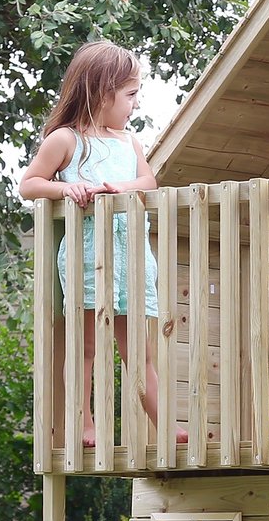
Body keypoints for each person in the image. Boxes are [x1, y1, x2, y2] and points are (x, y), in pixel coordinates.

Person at [19, 41, 186, 449]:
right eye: (130, 95)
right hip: (87, 258)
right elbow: (29, 184)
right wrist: (64, 187)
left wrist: (120, 188)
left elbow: (149, 182)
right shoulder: (66, 140)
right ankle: (84, 422)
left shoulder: (129, 142)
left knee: (138, 351)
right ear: (101, 91)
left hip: (130, 259)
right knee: (87, 346)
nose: (134, 104)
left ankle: (165, 423)